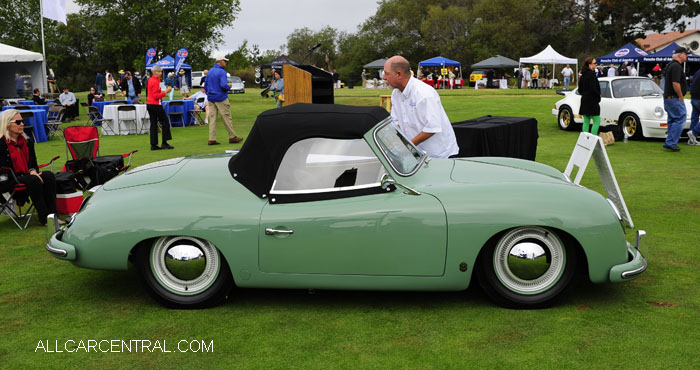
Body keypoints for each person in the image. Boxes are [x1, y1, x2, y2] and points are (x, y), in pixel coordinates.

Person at [382, 55, 459, 158]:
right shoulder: (396, 94)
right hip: (418, 155)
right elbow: (396, 123)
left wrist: (407, 145)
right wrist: (398, 144)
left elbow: (432, 127)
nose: (384, 78)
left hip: (441, 156)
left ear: (399, 74)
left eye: (386, 73)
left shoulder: (424, 94)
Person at [0, 109, 57, 226]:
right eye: (18, 122)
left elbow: (33, 163)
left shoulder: (27, 141)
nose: (22, 124)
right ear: (7, 124)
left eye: (23, 121)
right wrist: (28, 176)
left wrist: (32, 171)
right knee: (33, 179)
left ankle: (52, 216)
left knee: (49, 176)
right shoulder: (1, 144)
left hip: (26, 177)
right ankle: (44, 218)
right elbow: (3, 170)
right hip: (8, 180)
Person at [205, 53, 243, 146]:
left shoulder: (210, 71)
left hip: (211, 97)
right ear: (221, 62)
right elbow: (223, 85)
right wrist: (229, 86)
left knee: (212, 118)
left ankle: (212, 139)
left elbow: (205, 86)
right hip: (220, 97)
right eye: (225, 61)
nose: (226, 63)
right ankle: (232, 137)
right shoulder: (222, 72)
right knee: (226, 117)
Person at [662, 47, 688, 151]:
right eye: (686, 54)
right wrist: (681, 96)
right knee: (681, 117)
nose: (687, 56)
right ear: (680, 55)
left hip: (668, 97)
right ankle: (671, 142)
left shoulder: (670, 65)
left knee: (672, 119)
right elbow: (675, 83)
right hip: (674, 97)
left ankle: (669, 141)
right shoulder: (676, 67)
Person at [145, 65, 174, 151]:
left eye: (161, 71)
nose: (160, 73)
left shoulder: (152, 80)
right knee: (164, 122)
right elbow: (155, 96)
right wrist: (165, 92)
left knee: (153, 124)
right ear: (154, 72)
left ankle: (153, 144)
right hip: (155, 104)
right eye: (159, 71)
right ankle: (164, 142)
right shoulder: (154, 81)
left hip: (150, 104)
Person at [578, 57, 601, 135]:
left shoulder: (583, 75)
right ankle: (593, 139)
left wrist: (585, 94)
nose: (596, 64)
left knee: (586, 121)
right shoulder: (591, 74)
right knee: (597, 120)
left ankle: (585, 139)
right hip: (592, 100)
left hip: (584, 99)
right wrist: (598, 97)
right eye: (595, 63)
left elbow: (580, 90)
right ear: (590, 65)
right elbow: (593, 89)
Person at [688, 67, 700, 146]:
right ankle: (694, 132)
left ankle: (692, 139)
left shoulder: (698, 71)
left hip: (694, 97)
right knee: (694, 118)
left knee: (694, 118)